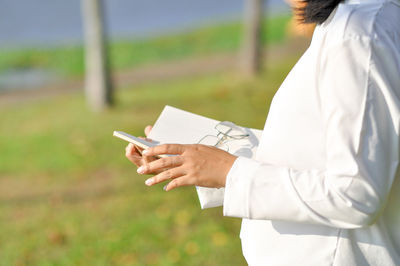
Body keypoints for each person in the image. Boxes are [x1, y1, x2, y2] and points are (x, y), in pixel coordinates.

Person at [125, 0, 400, 264]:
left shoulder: (356, 33)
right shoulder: (358, 22)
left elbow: (355, 193)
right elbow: (323, 149)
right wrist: (199, 158)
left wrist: (229, 171)